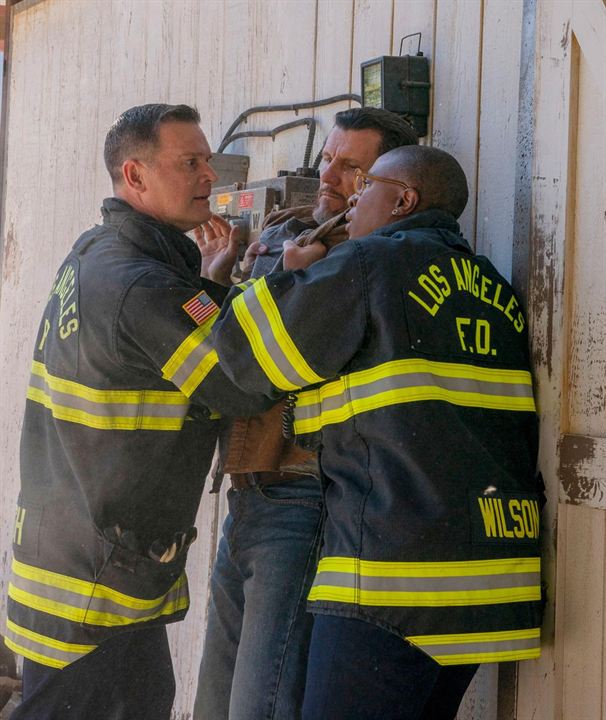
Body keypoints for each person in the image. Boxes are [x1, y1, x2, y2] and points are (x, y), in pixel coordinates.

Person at [210, 144, 543, 720]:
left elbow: (245, 358)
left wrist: (293, 278)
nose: (355, 200)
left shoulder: (368, 265)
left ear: (403, 201)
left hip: (393, 578)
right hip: (491, 586)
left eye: (368, 189)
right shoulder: (495, 289)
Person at [5, 103, 272, 720]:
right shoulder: (141, 285)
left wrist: (210, 283)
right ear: (135, 176)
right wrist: (289, 285)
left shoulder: (99, 254)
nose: (210, 176)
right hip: (97, 583)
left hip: (87, 562)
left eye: (207, 160)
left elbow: (176, 324)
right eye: (190, 163)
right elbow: (241, 380)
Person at [194, 108, 418, 720]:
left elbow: (272, 367)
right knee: (214, 698)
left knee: (259, 705)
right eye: (329, 160)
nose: (331, 176)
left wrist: (296, 284)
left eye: (352, 168)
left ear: (394, 189)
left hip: (307, 496)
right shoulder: (285, 235)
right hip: (248, 490)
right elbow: (225, 342)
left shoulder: (371, 264)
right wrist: (213, 283)